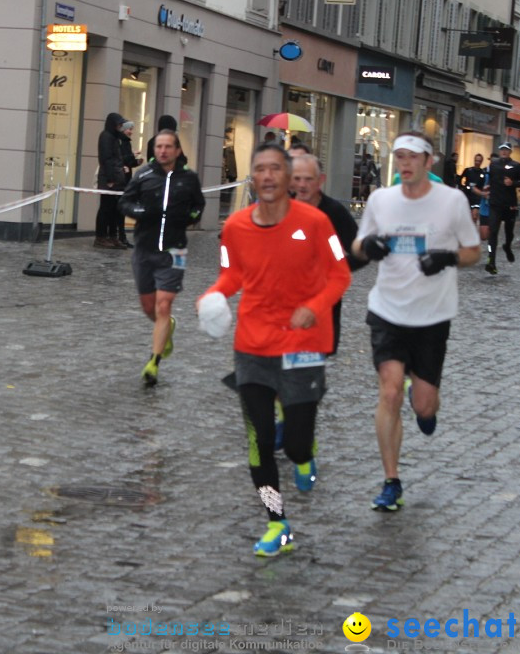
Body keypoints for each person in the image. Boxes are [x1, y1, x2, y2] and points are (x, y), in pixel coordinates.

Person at [196, 143, 350, 556]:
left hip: (302, 346)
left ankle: (304, 457)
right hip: (253, 348)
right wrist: (212, 298)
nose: (267, 176)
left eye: (275, 169)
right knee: (261, 441)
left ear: (288, 177)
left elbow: (339, 275)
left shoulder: (317, 223)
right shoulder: (234, 228)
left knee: (295, 444)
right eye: (259, 169)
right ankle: (276, 521)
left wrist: (314, 308)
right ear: (253, 177)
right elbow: (231, 275)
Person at [352, 132, 480, 512]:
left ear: (429, 161)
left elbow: (473, 251)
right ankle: (391, 481)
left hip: (432, 316)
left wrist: (448, 258)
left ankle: (423, 401)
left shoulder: (451, 201)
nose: (405, 164)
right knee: (388, 391)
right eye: (400, 157)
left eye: (412, 157)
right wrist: (368, 248)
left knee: (424, 406)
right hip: (388, 311)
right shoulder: (380, 200)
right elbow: (359, 245)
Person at [119, 130, 205, 387]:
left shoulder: (188, 178)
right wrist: (140, 211)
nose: (163, 151)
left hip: (174, 250)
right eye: (159, 146)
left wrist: (190, 218)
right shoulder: (143, 174)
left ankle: (153, 362)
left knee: (164, 304)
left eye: (168, 146)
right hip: (144, 248)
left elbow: (199, 206)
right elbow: (124, 202)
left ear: (177, 150)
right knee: (149, 307)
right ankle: (167, 326)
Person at [291, 154, 367, 355]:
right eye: (297, 179)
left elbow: (361, 252)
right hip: (284, 300)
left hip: (323, 302)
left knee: (312, 361)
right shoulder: (280, 207)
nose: (302, 185)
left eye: (309, 179)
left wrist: (334, 271)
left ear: (321, 180)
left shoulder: (334, 211)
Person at [483, 142, 520, 275]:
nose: (504, 152)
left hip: (510, 204)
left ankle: (507, 246)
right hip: (495, 203)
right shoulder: (493, 164)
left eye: (506, 150)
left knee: (509, 232)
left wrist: (512, 183)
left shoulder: (517, 166)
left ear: (510, 152)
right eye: (502, 149)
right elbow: (490, 179)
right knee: (493, 232)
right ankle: (491, 261)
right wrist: (487, 186)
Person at [95, 112, 128, 249]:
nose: (120, 126)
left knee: (115, 209)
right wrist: (110, 178)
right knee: (106, 208)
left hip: (116, 178)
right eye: (119, 124)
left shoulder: (113, 137)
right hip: (110, 179)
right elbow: (106, 159)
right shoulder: (106, 137)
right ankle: (101, 237)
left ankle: (113, 236)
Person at [116, 120, 141, 248]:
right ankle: (119, 236)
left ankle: (121, 236)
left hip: (125, 178)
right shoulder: (122, 142)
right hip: (122, 179)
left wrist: (135, 162)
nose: (131, 131)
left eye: (132, 129)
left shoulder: (125, 141)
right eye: (129, 129)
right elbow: (123, 158)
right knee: (118, 209)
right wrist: (133, 156)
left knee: (121, 209)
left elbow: (127, 161)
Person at [459, 153, 487, 226]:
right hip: (467, 195)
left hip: (477, 197)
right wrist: (462, 187)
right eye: (476, 160)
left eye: (479, 161)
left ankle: (472, 231)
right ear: (474, 160)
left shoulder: (483, 173)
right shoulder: (468, 170)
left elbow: (484, 184)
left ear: (481, 162)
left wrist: (482, 191)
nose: (477, 162)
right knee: (465, 216)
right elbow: (460, 179)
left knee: (474, 216)